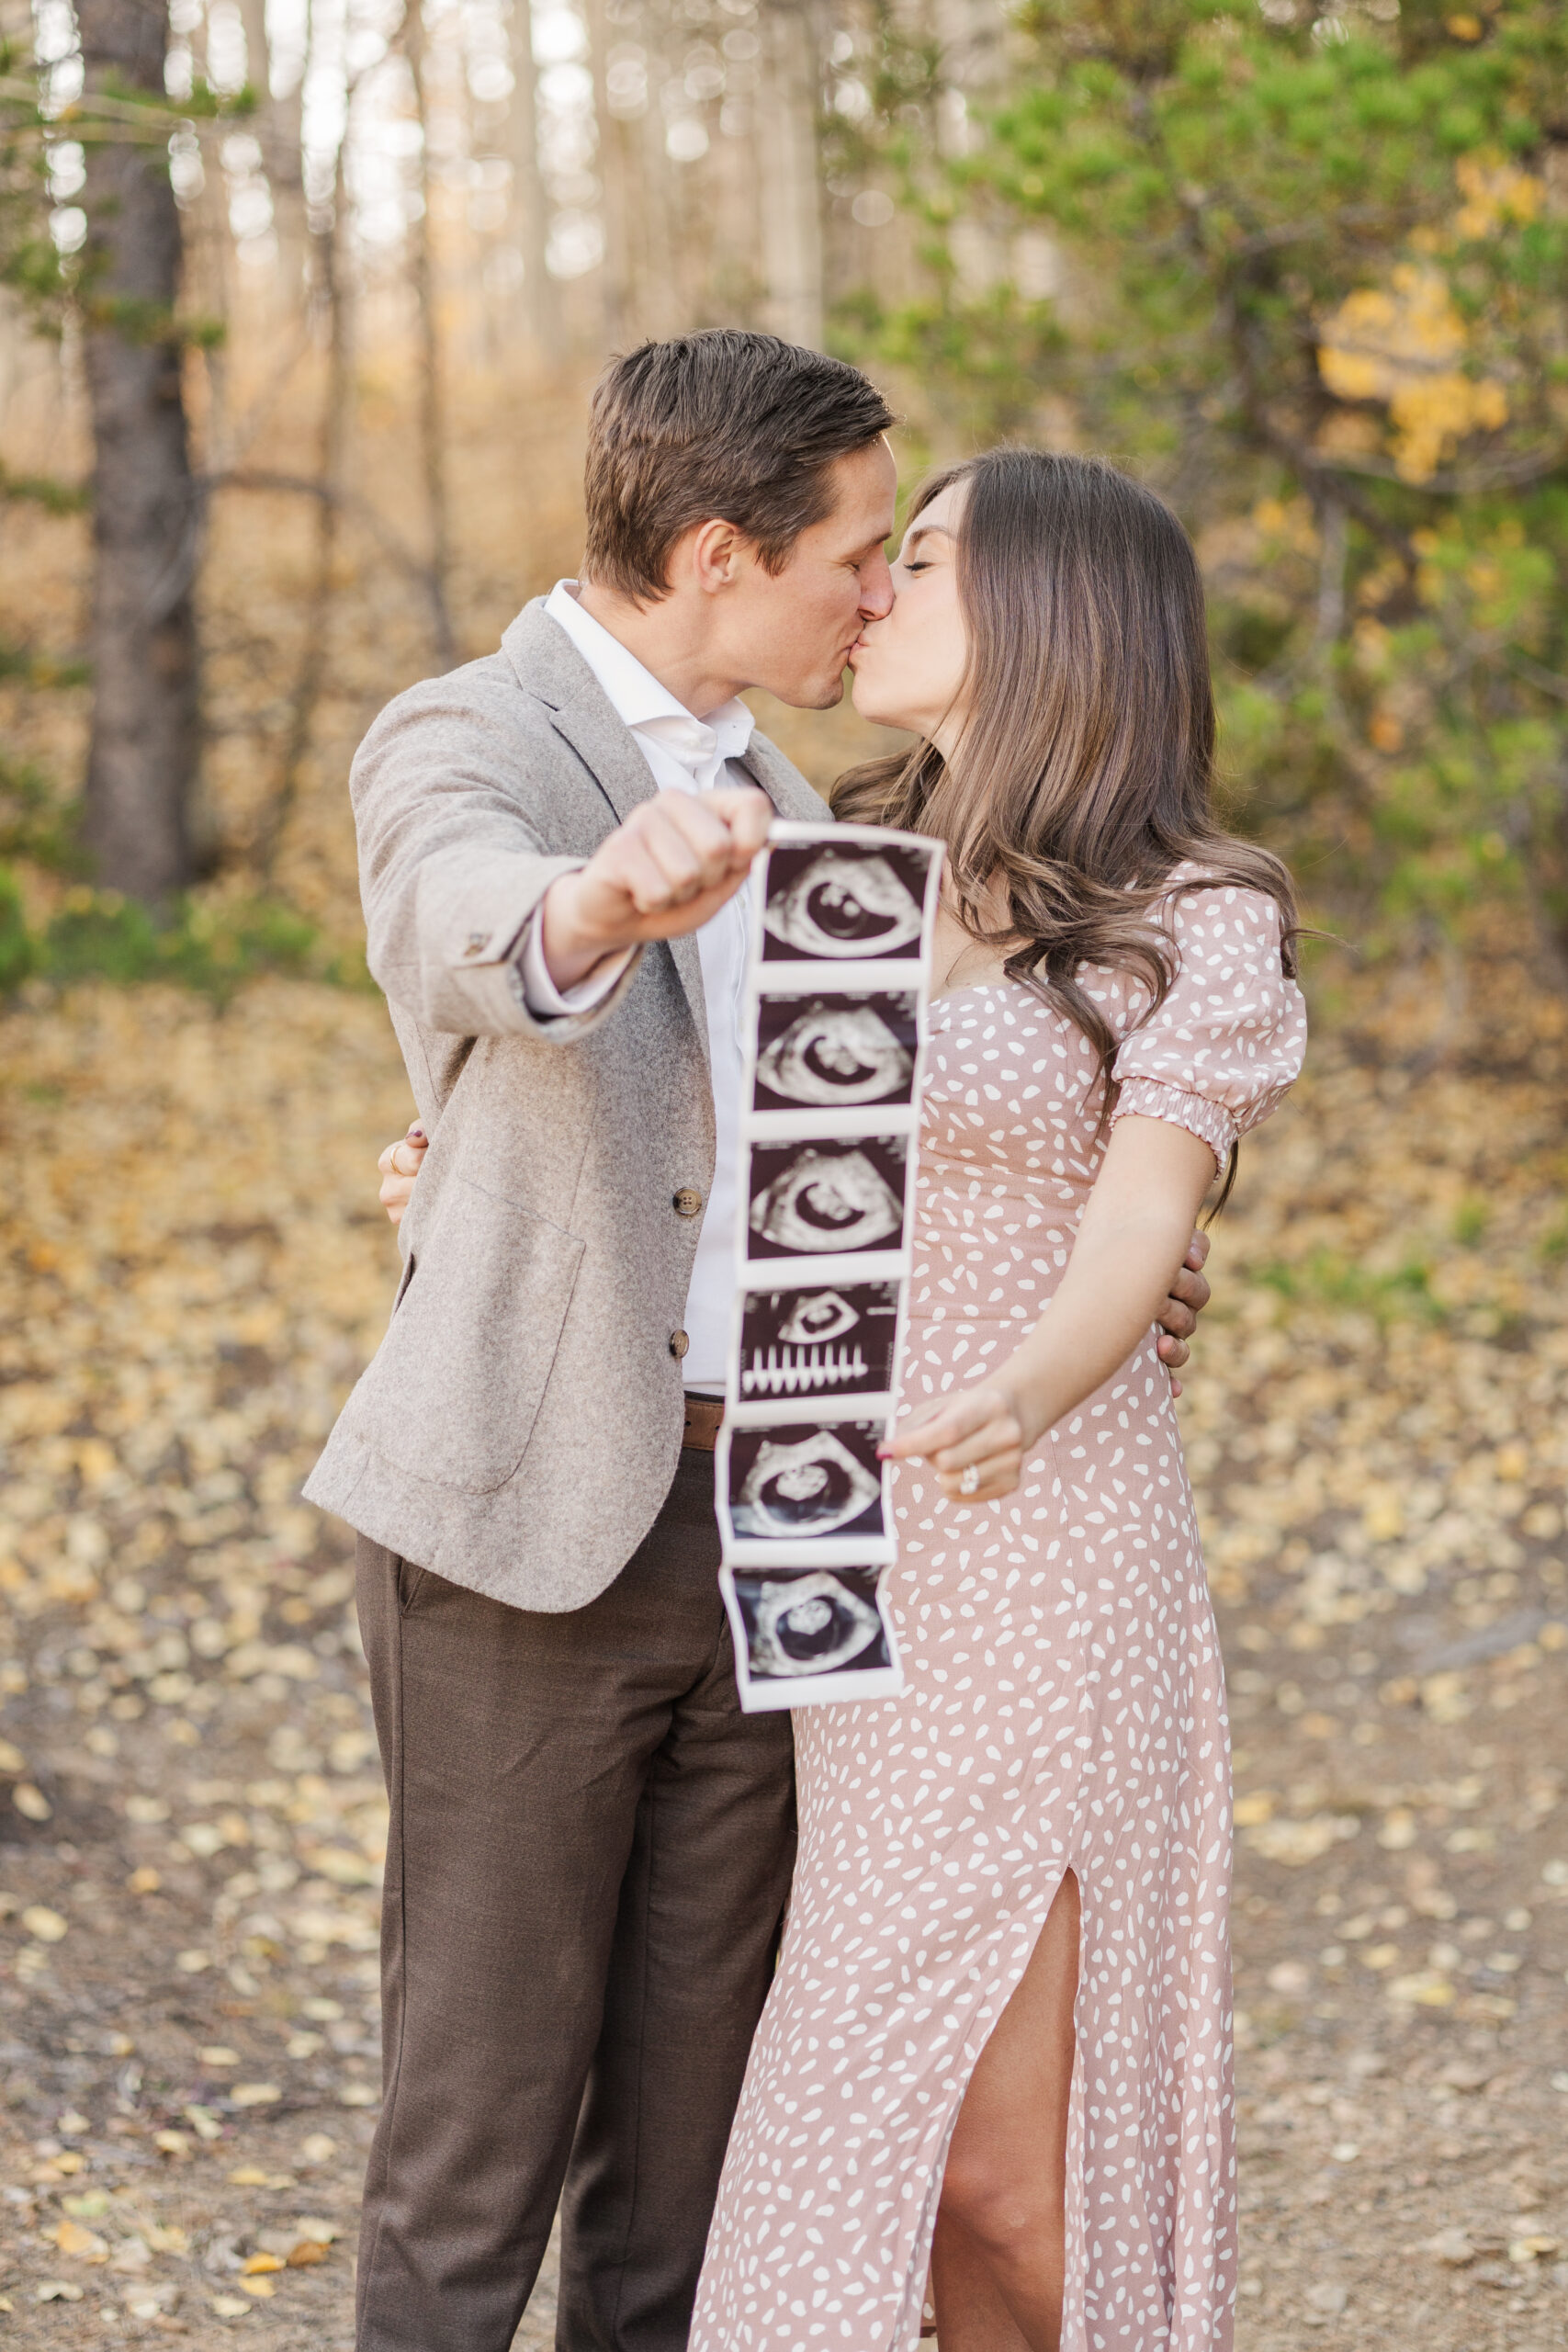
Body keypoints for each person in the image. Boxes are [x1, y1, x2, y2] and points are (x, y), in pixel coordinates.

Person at [334, 334, 1215, 2352]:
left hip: (796, 1543)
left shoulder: (818, 805)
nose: (879, 594)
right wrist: (585, 909)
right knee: (474, 2140)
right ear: (722, 551)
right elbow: (453, 909)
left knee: (685, 2153)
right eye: (855, 554)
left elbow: (888, 1145)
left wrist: (1113, 1276)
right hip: (535, 1519)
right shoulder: (466, 731)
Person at [687, 450, 1306, 2352]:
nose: (868, 593)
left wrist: (1025, 1388)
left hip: (1037, 1541)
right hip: (832, 1549)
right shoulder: (825, 869)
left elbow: (1142, 1217)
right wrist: (439, 1168)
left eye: (921, 560)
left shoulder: (1185, 914)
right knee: (868, 2089)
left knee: (1002, 2180)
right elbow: (701, 1154)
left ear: (1049, 611)